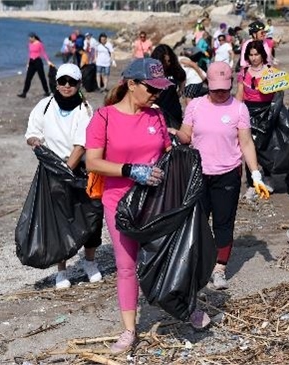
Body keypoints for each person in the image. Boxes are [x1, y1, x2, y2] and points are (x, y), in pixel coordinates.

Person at [85, 58, 210, 353]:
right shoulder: (103, 117)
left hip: (157, 200)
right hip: (120, 203)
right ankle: (129, 330)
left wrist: (183, 157)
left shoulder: (155, 115)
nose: (156, 94)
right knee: (127, 266)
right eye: (151, 88)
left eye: (160, 89)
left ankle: (186, 307)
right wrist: (130, 170)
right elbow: (92, 162)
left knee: (172, 254)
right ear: (131, 84)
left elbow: (168, 153)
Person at [172, 61, 269, 290]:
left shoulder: (238, 108)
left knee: (223, 224)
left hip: (228, 174)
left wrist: (255, 174)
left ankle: (219, 268)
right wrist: (173, 133)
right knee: (198, 223)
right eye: (215, 89)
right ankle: (198, 265)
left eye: (224, 89)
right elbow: (187, 135)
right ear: (208, 85)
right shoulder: (195, 106)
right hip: (198, 174)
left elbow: (246, 142)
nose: (219, 93)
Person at [24, 63, 103, 289]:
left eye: (71, 82)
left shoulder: (86, 109)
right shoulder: (44, 105)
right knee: (59, 219)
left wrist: (66, 170)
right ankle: (62, 271)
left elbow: (81, 144)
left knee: (91, 215)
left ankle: (89, 262)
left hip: (80, 169)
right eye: (62, 81)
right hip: (52, 170)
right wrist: (34, 142)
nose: (66, 86)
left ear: (79, 84)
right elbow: (32, 132)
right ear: (56, 82)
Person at [236, 40, 277, 197]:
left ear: (262, 55)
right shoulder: (244, 72)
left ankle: (267, 177)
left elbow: (278, 93)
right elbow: (239, 95)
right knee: (248, 145)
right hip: (248, 111)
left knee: (266, 145)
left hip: (266, 112)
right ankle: (252, 183)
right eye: (251, 55)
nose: (253, 58)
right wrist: (237, 113)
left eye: (256, 54)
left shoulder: (271, 71)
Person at [151, 44, 186, 129]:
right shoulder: (151, 72)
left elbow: (182, 77)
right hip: (157, 111)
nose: (168, 63)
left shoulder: (174, 69)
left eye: (169, 60)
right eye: (165, 61)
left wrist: (181, 90)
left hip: (174, 110)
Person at [18, 33, 54, 98]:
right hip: (31, 62)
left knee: (42, 77)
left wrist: (48, 61)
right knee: (28, 78)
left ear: (34, 37)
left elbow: (43, 53)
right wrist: (28, 63)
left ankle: (46, 92)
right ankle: (24, 93)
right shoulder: (29, 44)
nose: (29, 39)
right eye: (28, 38)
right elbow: (30, 54)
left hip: (38, 62)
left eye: (30, 38)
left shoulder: (40, 44)